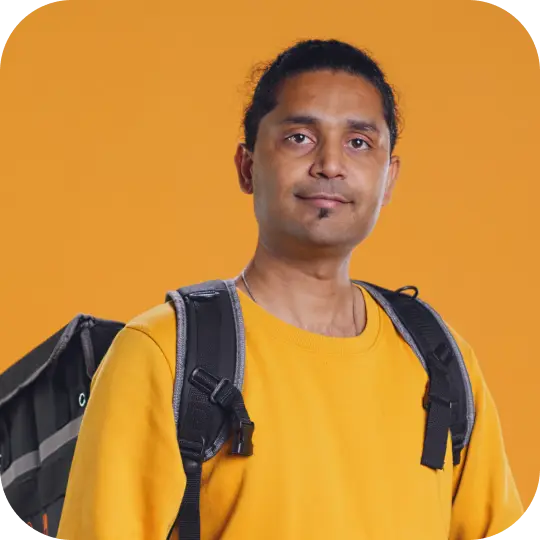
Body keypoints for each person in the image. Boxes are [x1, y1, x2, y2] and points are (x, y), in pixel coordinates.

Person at [57, 39, 524, 539]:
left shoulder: (441, 361)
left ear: (389, 178)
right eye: (300, 137)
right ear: (247, 166)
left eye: (358, 143)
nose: (330, 164)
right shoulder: (163, 355)